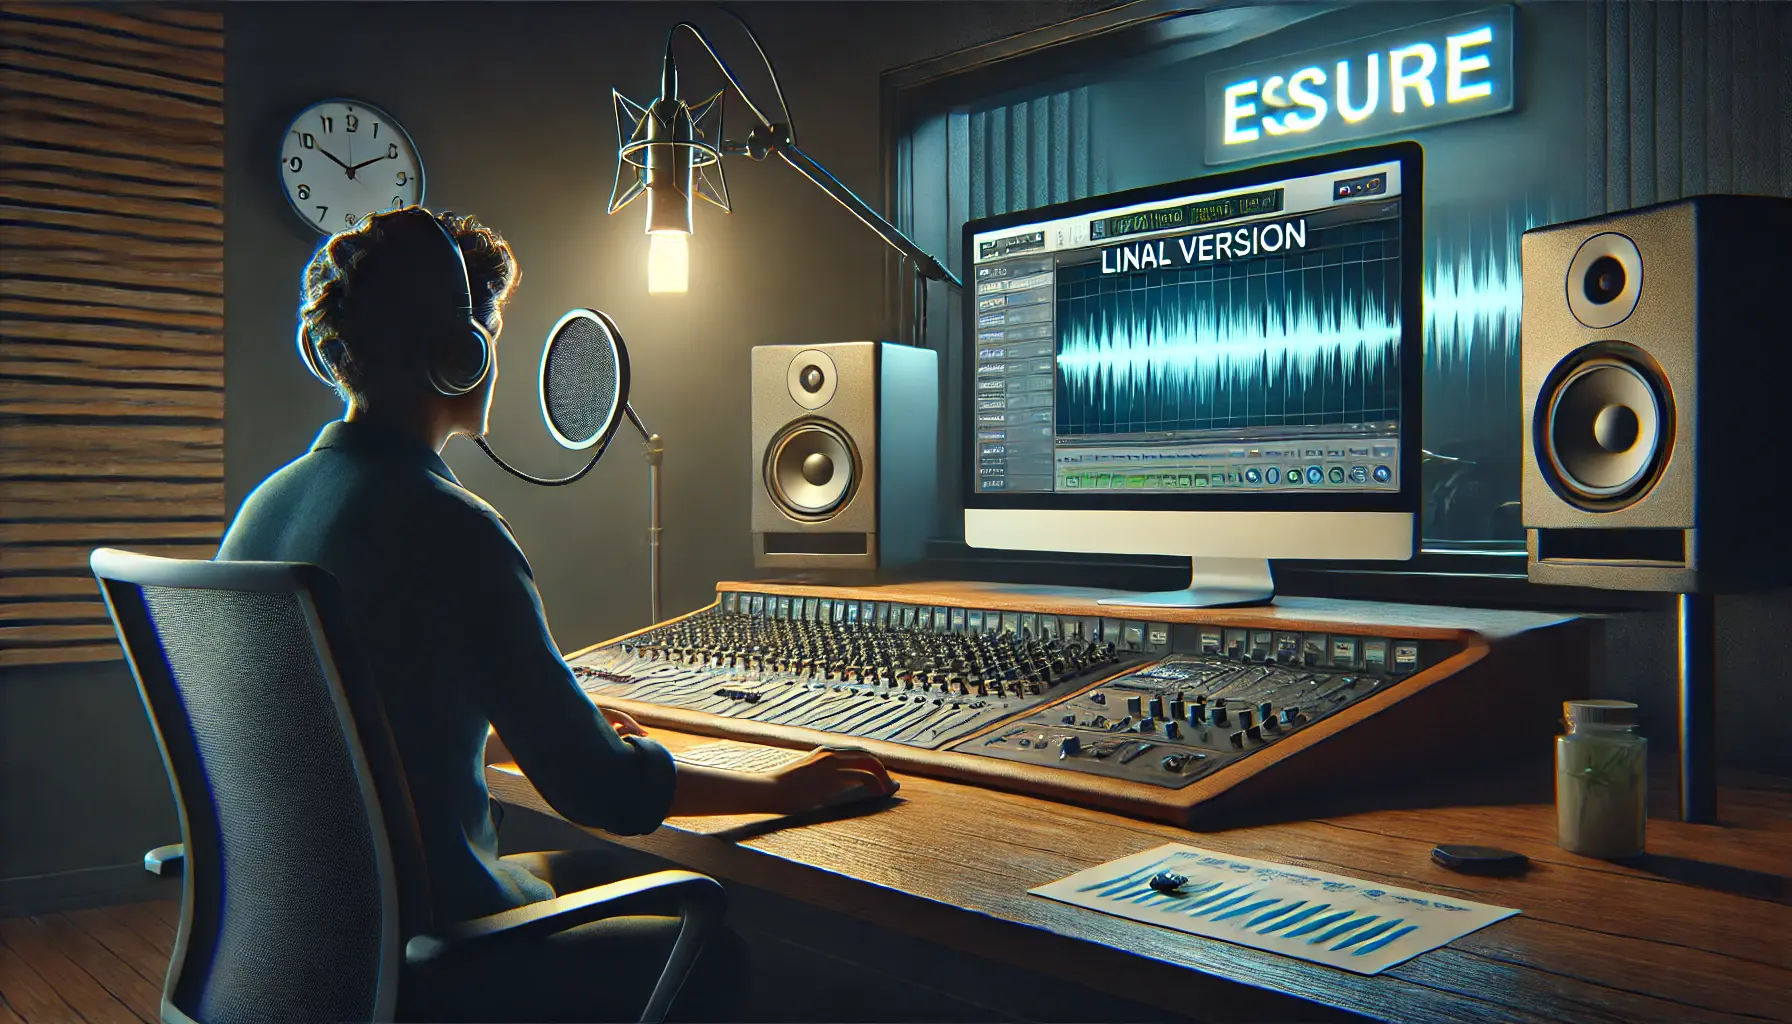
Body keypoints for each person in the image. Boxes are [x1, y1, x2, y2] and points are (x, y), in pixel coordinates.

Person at [218, 207, 896, 1021]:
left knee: (610, 880)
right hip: (431, 950)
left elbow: (350, 723)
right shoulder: (450, 525)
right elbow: (600, 790)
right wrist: (782, 787)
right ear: (460, 352)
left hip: (306, 949)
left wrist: (510, 731)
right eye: (487, 332)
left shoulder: (266, 508)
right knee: (712, 947)